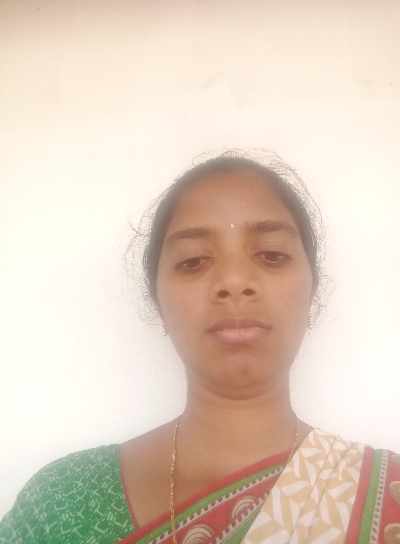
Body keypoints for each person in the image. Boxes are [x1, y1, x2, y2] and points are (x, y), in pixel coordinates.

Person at [1, 151, 399, 544]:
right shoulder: (63, 504)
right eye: (193, 261)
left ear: (311, 291)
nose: (234, 280)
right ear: (158, 301)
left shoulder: (388, 496)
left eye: (272, 255)